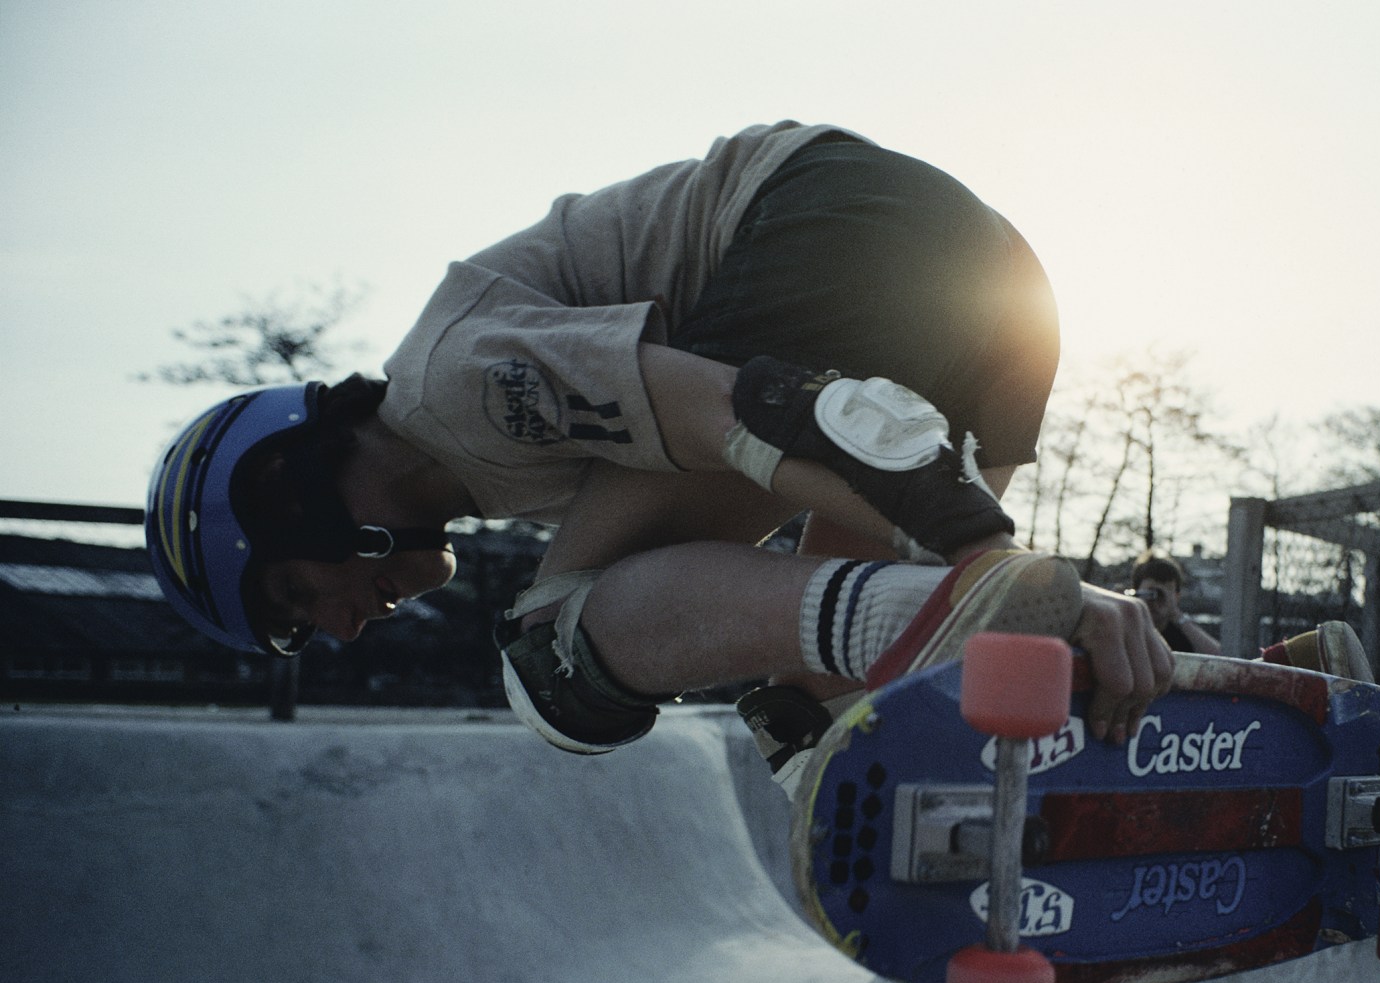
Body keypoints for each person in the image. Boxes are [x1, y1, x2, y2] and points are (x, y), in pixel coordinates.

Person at [144, 123, 1171, 779]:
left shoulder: (450, 390)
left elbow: (737, 409)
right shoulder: (510, 468)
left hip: (840, 226)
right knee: (827, 697)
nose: (341, 627)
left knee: (554, 645)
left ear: (283, 488)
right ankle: (1173, 678)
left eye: (296, 598)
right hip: (996, 294)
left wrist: (963, 553)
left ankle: (987, 598)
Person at [1128, 553, 1222, 655]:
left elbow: (1219, 658)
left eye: (1164, 592)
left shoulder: (1184, 635)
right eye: (1151, 593)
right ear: (1136, 593)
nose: (1157, 599)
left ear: (1177, 596)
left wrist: (1177, 616)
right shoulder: (1127, 629)